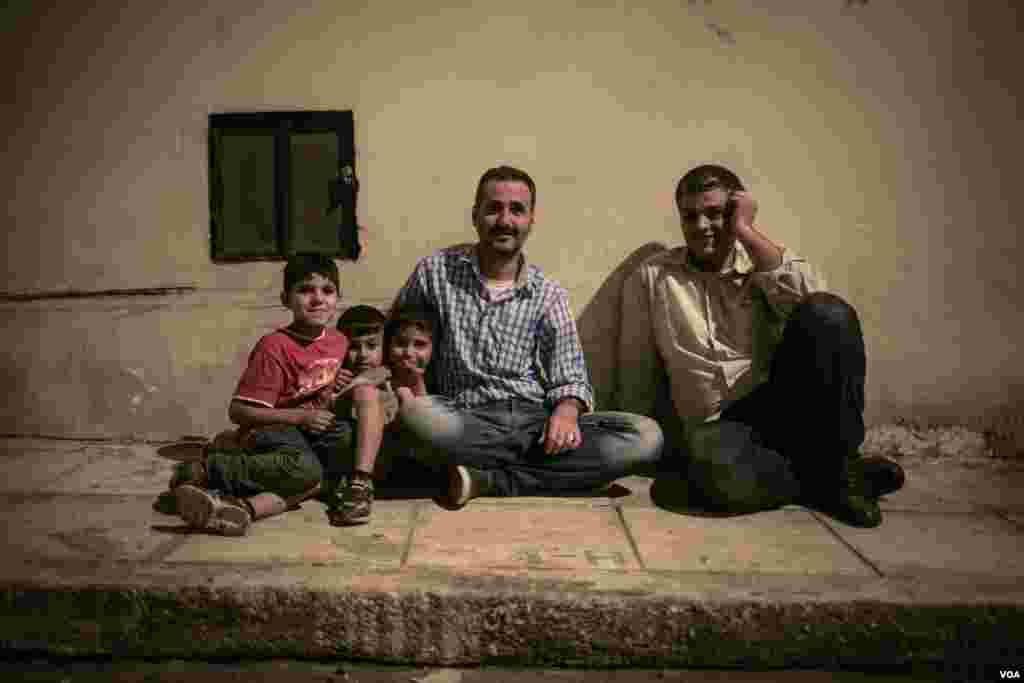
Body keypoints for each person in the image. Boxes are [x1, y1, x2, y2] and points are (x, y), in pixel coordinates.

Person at [617, 164, 904, 528]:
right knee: (705, 467)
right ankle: (831, 477)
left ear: (736, 212)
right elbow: (638, 370)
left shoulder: (763, 263)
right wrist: (652, 445)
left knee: (828, 313)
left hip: (782, 408)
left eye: (714, 213)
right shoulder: (654, 277)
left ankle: (835, 466)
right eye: (690, 216)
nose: (701, 225)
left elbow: (817, 307)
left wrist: (746, 233)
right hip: (721, 431)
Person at [393, 165, 664, 509]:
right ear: (475, 215)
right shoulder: (435, 273)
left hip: (535, 424)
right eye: (494, 208)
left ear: (530, 221)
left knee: (646, 438)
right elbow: (396, 337)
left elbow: (571, 376)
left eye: (517, 210)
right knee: (417, 417)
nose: (505, 220)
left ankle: (488, 479)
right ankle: (550, 473)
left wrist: (565, 413)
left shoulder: (547, 294)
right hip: (466, 420)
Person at [170, 253, 350, 535]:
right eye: (305, 290)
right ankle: (206, 470)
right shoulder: (274, 346)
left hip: (308, 431)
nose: (318, 299)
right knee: (306, 470)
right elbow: (239, 411)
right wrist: (301, 417)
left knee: (346, 441)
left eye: (327, 291)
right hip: (272, 428)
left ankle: (236, 497)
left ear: (338, 297)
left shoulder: (339, 342)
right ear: (285, 299)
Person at [325, 304, 438, 525]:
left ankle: (361, 483)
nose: (362, 355)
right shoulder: (337, 377)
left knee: (404, 397)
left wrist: (415, 382)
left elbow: (425, 414)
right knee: (366, 393)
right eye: (353, 347)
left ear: (384, 346)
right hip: (347, 451)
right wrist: (334, 385)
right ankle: (359, 484)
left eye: (371, 346)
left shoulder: (392, 375)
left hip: (394, 454)